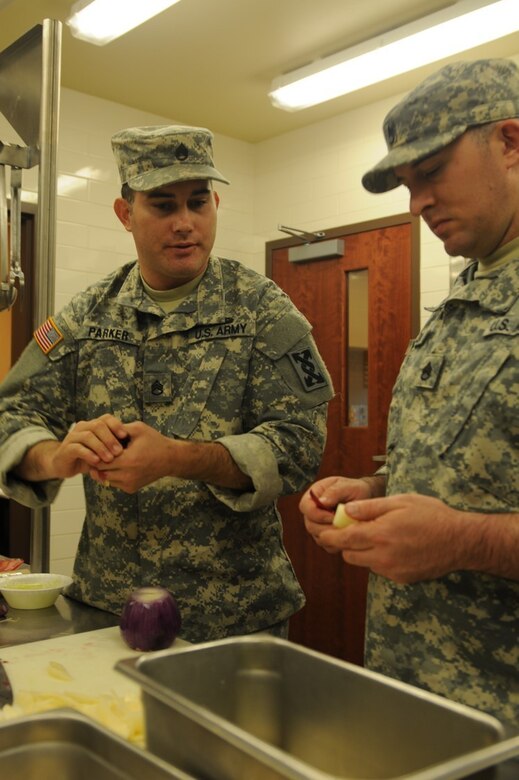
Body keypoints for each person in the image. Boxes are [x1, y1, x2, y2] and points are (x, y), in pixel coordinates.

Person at [0, 124, 333, 643]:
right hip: (109, 611)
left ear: (216, 203)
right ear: (125, 213)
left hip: (235, 617)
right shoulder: (89, 313)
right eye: (162, 205)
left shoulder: (261, 309)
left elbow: (299, 444)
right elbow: (11, 415)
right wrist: (55, 455)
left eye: (198, 203)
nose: (185, 224)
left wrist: (178, 457)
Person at [300, 59, 519, 733]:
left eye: (429, 173)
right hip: (418, 697)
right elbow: (471, 466)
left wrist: (462, 540)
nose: (414, 203)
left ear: (510, 142)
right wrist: (374, 492)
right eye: (404, 184)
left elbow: (463, 522)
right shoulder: (472, 291)